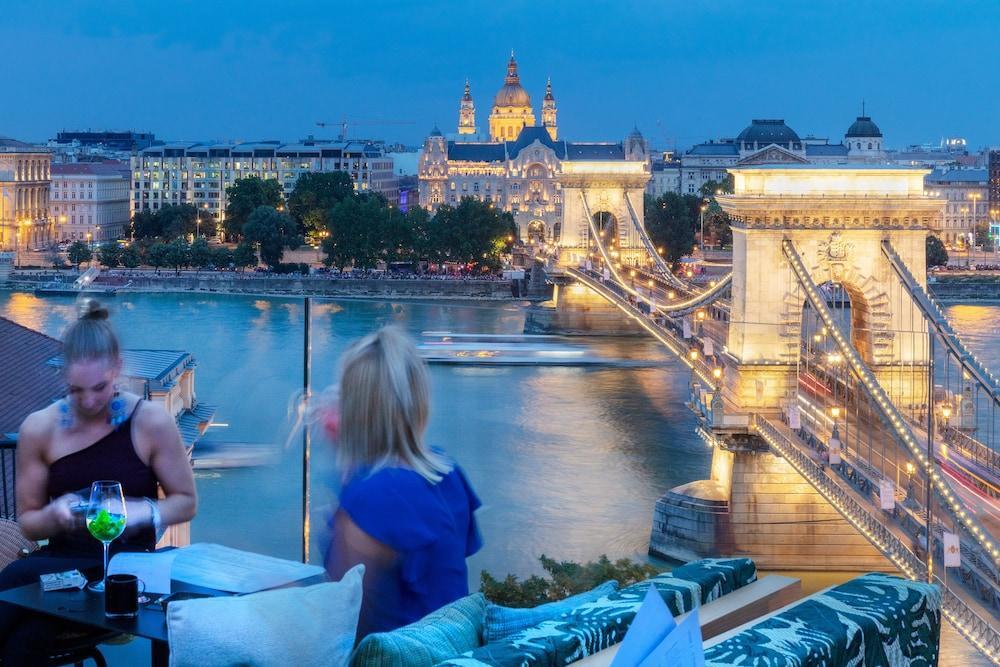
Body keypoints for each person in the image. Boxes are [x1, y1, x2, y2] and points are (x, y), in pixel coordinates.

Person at [0, 299, 197, 665]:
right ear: (64, 377)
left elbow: (186, 501)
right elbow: (29, 522)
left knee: (24, 637)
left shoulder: (150, 422)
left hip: (128, 571)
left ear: (118, 369)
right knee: (22, 628)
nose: (89, 401)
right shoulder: (39, 428)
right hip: (60, 566)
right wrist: (58, 514)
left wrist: (140, 511)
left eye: (100, 388)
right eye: (76, 390)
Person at [322, 326, 482, 641]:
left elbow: (343, 618)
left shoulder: (370, 500)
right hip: (456, 650)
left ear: (355, 409)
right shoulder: (447, 471)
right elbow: (445, 578)